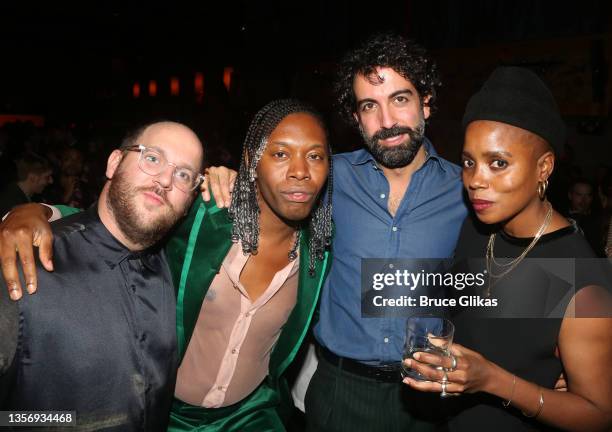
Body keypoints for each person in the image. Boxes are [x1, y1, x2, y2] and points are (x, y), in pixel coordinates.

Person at [0, 99, 334, 431]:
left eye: (316, 156)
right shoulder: (206, 218)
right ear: (252, 160)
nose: (300, 170)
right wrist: (38, 212)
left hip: (252, 415)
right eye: (279, 153)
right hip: (165, 414)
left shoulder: (322, 252)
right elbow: (126, 223)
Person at [202, 33, 467, 431]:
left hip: (426, 398)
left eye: (400, 99)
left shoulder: (466, 192)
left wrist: (555, 353)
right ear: (356, 118)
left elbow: (519, 268)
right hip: (339, 391)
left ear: (425, 102)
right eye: (369, 106)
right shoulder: (327, 176)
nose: (387, 121)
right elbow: (272, 183)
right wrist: (225, 179)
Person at [402, 67, 612, 431]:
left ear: (544, 167)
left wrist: (492, 380)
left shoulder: (582, 275)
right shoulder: (476, 229)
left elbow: (599, 414)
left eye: (498, 163)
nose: (476, 181)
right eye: (469, 162)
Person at [0, 121, 205, 430]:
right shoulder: (24, 263)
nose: (165, 179)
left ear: (189, 201)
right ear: (114, 163)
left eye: (183, 175)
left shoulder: (173, 266)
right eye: (152, 158)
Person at [0, 151, 53, 216]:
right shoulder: (12, 203)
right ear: (33, 178)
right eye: (47, 177)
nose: (51, 181)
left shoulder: (21, 195)